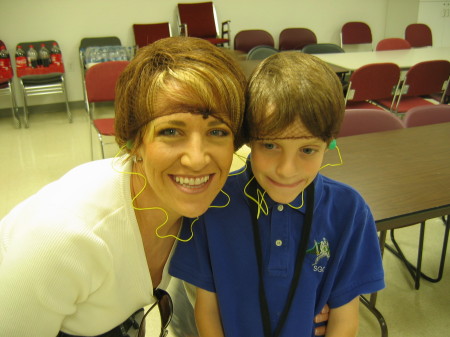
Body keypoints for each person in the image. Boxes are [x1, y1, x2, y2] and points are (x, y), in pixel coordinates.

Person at [0, 36, 247, 337]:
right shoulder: (65, 239)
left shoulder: (202, 208)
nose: (196, 160)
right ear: (134, 142)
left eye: (217, 131)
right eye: (171, 131)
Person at [169, 52, 385, 336]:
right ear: (248, 140)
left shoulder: (350, 212)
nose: (286, 170)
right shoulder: (213, 203)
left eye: (307, 150)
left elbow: (345, 319)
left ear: (329, 145)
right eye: (270, 146)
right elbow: (207, 309)